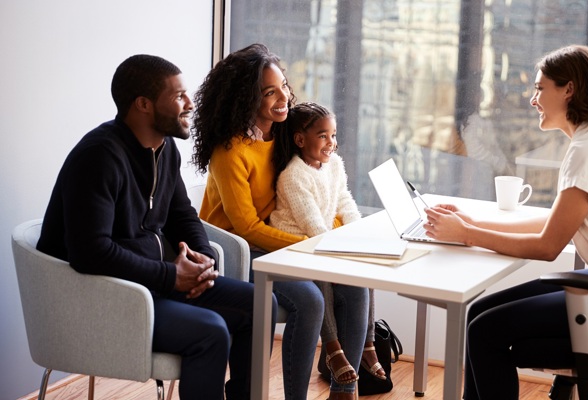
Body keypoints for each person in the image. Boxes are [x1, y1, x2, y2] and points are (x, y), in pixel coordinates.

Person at [422, 45, 588, 400]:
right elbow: (555, 222)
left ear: (569, 89)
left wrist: (467, 234)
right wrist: (472, 224)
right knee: (479, 311)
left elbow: (547, 246)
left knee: (486, 331)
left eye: (540, 88)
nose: (533, 99)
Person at [36, 54, 277, 400]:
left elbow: (183, 216)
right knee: (211, 332)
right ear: (143, 105)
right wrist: (170, 276)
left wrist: (204, 260)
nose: (190, 103)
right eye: (179, 95)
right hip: (105, 298)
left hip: (154, 284)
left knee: (260, 304)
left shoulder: (165, 150)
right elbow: (90, 252)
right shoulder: (98, 157)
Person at [191, 44, 368, 400]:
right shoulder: (231, 152)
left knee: (357, 285)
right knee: (310, 300)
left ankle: (344, 387)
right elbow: (246, 228)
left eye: (284, 86)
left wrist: (336, 235)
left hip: (282, 242)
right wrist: (312, 248)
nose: (283, 97)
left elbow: (316, 190)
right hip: (235, 252)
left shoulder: (284, 135)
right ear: (246, 98)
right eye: (269, 92)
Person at [269, 102, 385, 395]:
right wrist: (342, 251)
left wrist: (358, 234)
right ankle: (333, 349)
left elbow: (345, 201)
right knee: (324, 276)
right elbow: (313, 227)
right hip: (300, 246)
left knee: (362, 273)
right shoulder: (292, 176)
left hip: (324, 241)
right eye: (323, 136)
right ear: (300, 140)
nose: (331, 143)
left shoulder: (334, 165)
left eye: (333, 135)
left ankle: (367, 347)